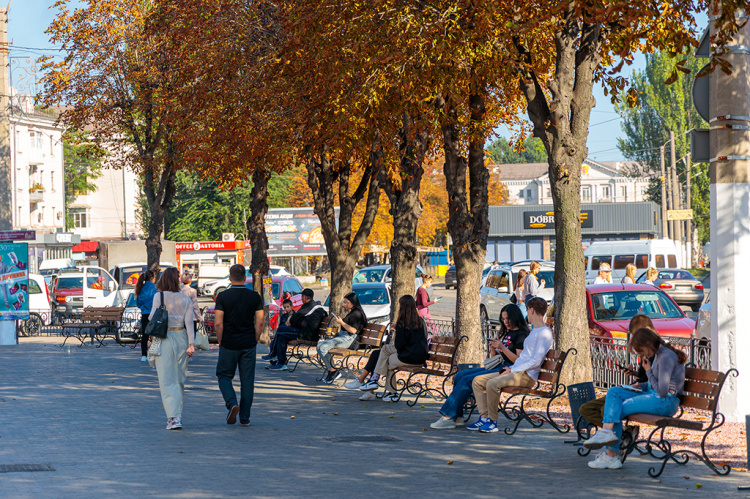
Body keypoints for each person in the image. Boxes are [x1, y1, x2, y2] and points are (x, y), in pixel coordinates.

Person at [583, 327, 686, 469]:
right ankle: (607, 434)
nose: (641, 354)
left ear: (649, 343)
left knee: (619, 408)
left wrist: (648, 371)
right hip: (653, 396)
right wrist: (642, 385)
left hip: (666, 401)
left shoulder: (666, 356)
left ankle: (611, 455)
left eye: (641, 350)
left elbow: (662, 391)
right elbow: (654, 384)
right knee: (614, 392)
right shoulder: (657, 354)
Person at [430, 303, 529, 429]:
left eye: (507, 319)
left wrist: (502, 347)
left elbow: (518, 360)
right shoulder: (507, 332)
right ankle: (457, 416)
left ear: (515, 317)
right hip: (498, 365)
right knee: (460, 375)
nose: (505, 322)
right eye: (503, 319)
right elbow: (497, 358)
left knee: (467, 380)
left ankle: (449, 417)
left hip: (508, 369)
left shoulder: (522, 335)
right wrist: (494, 349)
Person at [468, 297, 553, 433]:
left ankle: (492, 422)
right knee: (478, 381)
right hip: (516, 371)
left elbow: (536, 361)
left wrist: (513, 368)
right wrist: (512, 368)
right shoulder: (535, 332)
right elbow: (525, 357)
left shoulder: (544, 333)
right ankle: (484, 419)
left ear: (531, 310)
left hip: (527, 375)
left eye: (527, 310)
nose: (526, 314)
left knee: (492, 384)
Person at [578, 314, 656, 431]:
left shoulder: (656, 350)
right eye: (633, 335)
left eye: (636, 334)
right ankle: (622, 434)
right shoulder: (644, 348)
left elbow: (655, 381)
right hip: (635, 389)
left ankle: (614, 440)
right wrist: (634, 372)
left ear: (648, 330)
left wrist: (640, 383)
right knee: (586, 408)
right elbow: (644, 374)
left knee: (606, 410)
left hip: (645, 394)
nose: (634, 338)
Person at [214, 264, 265, 426]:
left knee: (223, 375)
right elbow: (260, 321)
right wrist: (255, 338)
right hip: (248, 342)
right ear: (245, 278)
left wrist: (220, 340)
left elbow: (218, 323)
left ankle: (231, 403)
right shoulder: (255, 297)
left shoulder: (222, 296)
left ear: (229, 278)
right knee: (247, 381)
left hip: (229, 343)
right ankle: (245, 418)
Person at [149, 267, 196, 430]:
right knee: (179, 379)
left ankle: (174, 418)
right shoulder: (185, 299)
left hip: (165, 339)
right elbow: (189, 324)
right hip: (181, 337)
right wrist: (191, 344)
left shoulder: (159, 296)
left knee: (166, 379)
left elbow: (151, 318)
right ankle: (176, 414)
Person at [359, 295, 429, 402]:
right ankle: (388, 391)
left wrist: (396, 332)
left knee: (386, 351)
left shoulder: (402, 323)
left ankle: (376, 381)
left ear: (402, 308)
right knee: (387, 357)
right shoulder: (420, 321)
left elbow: (399, 345)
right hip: (420, 357)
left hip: (408, 357)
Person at [265, 290, 326, 371]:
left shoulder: (308, 306)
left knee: (280, 329)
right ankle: (281, 363)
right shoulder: (317, 306)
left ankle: (274, 355)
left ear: (304, 297)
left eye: (301, 297)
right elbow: (303, 319)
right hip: (310, 333)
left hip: (306, 335)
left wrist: (290, 322)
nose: (301, 299)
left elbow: (296, 317)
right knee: (282, 336)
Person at [318, 292, 367, 384]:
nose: (345, 304)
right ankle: (332, 369)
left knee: (323, 347)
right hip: (344, 337)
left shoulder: (357, 314)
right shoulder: (352, 312)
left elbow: (353, 331)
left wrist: (341, 323)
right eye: (344, 302)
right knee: (319, 346)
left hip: (350, 339)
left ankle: (333, 371)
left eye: (347, 302)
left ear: (353, 302)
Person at [135, 270, 157, 362]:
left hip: (144, 314)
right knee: (155, 335)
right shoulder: (156, 287)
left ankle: (144, 355)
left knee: (144, 335)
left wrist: (144, 308)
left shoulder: (140, 288)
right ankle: (154, 353)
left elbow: (138, 303)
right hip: (155, 313)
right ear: (152, 278)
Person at [180, 272, 202, 336]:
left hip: (180, 317)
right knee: (191, 336)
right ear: (190, 281)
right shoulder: (192, 291)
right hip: (191, 317)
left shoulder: (178, 290)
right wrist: (200, 317)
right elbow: (195, 305)